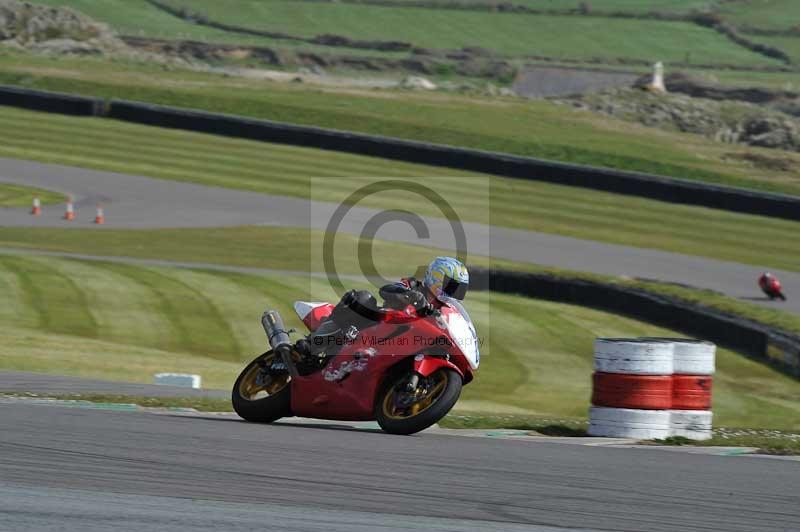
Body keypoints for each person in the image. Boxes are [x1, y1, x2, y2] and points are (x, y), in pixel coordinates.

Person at [297, 257, 470, 359]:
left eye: (459, 289)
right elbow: (386, 290)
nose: (454, 293)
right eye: (451, 286)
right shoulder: (413, 286)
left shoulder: (446, 310)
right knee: (362, 298)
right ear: (436, 277)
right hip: (378, 326)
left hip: (405, 344)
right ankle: (312, 344)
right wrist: (409, 295)